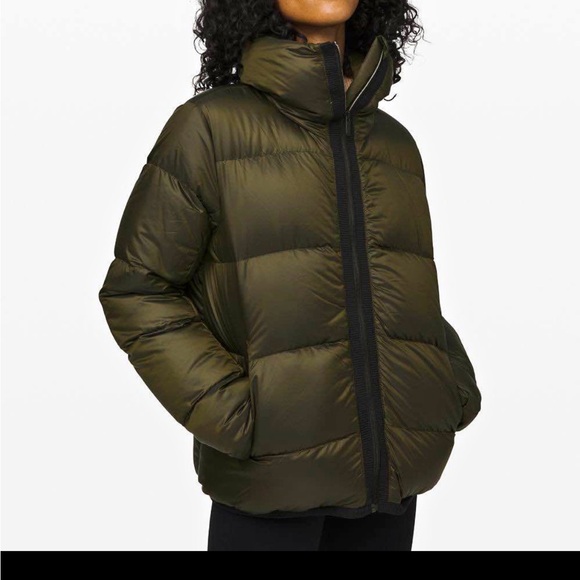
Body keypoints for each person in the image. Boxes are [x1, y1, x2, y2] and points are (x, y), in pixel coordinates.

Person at [98, 0, 481, 552]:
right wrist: (238, 413)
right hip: (269, 492)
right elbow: (138, 289)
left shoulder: (394, 145)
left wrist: (448, 388)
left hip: (392, 486)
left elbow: (403, 298)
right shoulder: (208, 128)